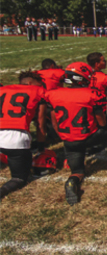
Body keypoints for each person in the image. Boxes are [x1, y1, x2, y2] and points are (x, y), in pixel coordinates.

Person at [45, 62, 107, 205]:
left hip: (68, 140)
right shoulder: (92, 94)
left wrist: (62, 135)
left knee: (78, 172)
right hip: (89, 137)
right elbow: (102, 123)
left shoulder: (53, 94)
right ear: (83, 78)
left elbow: (55, 121)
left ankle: (72, 181)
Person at [0, 71, 46, 199]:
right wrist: (41, 148)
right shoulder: (37, 91)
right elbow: (41, 123)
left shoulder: (3, 89)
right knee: (19, 178)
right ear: (31, 83)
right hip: (15, 140)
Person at [87, 52, 107, 122]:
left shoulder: (84, 76)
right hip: (100, 113)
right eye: (103, 60)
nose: (105, 62)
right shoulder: (106, 79)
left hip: (85, 111)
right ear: (97, 64)